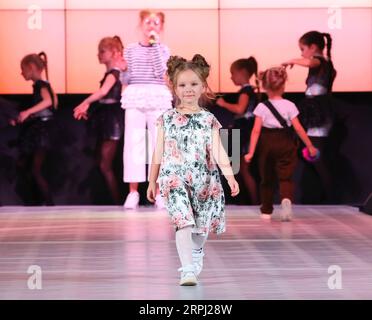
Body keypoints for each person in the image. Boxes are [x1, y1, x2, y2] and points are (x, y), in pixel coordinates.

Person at [147, 54, 239, 286]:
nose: (188, 89)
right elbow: (158, 152)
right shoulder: (166, 119)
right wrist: (152, 181)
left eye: (194, 84)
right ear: (174, 88)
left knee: (199, 229)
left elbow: (218, 150)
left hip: (204, 180)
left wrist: (230, 176)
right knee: (183, 222)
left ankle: (196, 252)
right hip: (174, 177)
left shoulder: (209, 119)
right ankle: (187, 269)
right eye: (182, 85)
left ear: (203, 86)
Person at [244, 66, 318, 221]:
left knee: (267, 177)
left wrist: (250, 152)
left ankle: (266, 210)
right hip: (286, 141)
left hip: (267, 143)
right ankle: (286, 199)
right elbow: (298, 128)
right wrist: (310, 145)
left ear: (264, 86)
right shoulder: (290, 105)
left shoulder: (261, 107)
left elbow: (256, 131)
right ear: (283, 85)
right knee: (286, 177)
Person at [121, 10, 173, 209]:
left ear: (161, 27)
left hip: (157, 96)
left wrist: (156, 46)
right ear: (141, 24)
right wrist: (122, 69)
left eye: (156, 23)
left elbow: (162, 73)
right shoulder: (130, 49)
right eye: (148, 22)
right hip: (135, 96)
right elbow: (125, 79)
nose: (152, 25)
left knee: (157, 144)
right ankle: (133, 192)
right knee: (134, 144)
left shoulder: (164, 49)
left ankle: (158, 192)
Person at [282, 31, 336, 203]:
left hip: (319, 116)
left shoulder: (321, 62)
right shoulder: (321, 64)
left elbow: (310, 62)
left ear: (313, 47)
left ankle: (330, 198)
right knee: (311, 156)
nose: (301, 53)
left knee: (317, 157)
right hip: (315, 114)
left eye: (303, 49)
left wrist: (292, 61)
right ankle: (321, 196)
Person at [74, 36, 126, 205]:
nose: (99, 55)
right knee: (103, 163)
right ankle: (115, 201)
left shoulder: (115, 73)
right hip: (107, 118)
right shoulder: (112, 73)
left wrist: (84, 103)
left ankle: (118, 202)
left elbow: (104, 92)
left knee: (105, 164)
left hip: (113, 121)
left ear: (114, 52)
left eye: (102, 51)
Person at [14, 52, 58, 205]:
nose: (21, 73)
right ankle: (43, 201)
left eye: (23, 69)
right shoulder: (42, 85)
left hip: (43, 131)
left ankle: (48, 203)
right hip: (42, 129)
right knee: (33, 168)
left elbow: (48, 102)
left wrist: (28, 112)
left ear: (31, 68)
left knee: (35, 169)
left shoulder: (41, 84)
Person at [216, 57, 259, 204]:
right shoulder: (250, 90)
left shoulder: (246, 91)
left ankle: (253, 201)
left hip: (242, 132)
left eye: (233, 73)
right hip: (242, 132)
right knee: (239, 169)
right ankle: (244, 199)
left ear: (242, 72)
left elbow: (240, 109)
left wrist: (223, 104)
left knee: (242, 170)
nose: (231, 77)